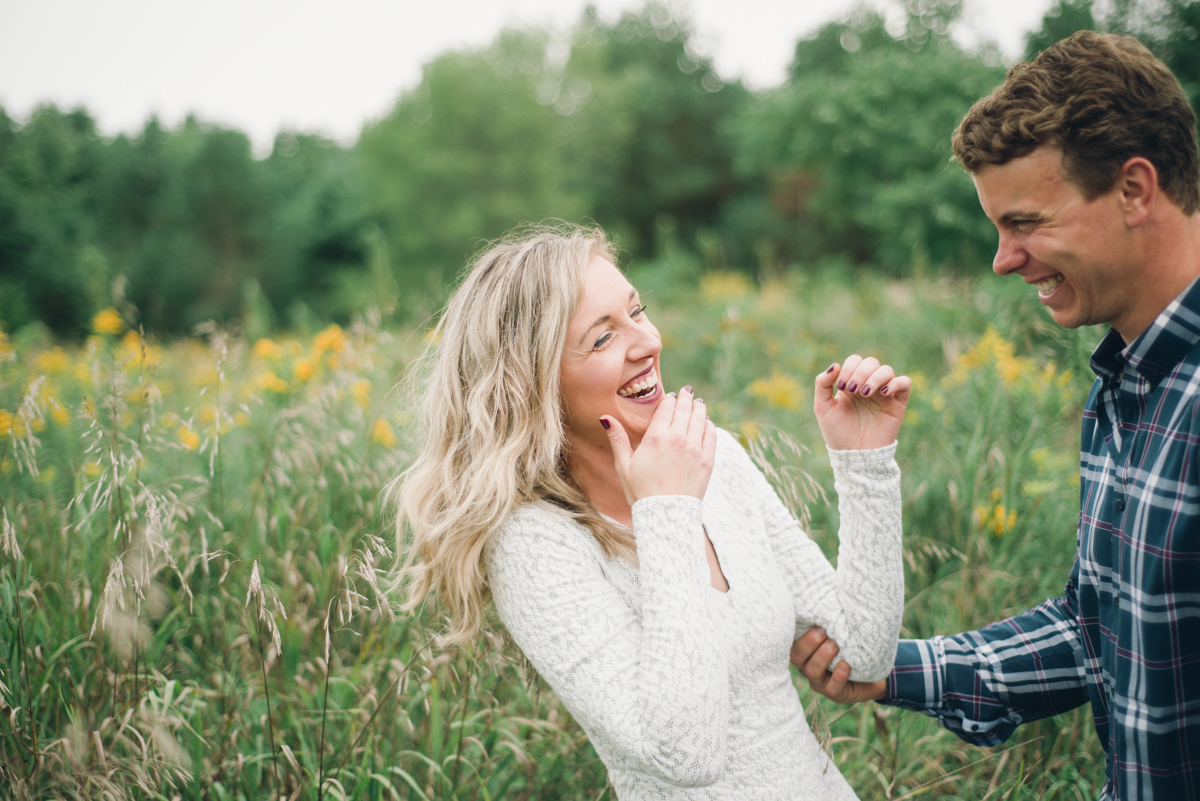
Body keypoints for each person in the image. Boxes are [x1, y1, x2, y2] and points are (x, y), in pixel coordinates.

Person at [789, 30, 1200, 800]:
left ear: (1135, 190)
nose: (1004, 260)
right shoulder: (1126, 382)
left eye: (1027, 223)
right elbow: (1094, 631)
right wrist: (886, 671)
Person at [391, 224, 913, 799]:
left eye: (637, 311)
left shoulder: (716, 459)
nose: (647, 342)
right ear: (535, 384)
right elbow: (686, 753)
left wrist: (863, 460)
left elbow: (863, 653)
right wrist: (668, 511)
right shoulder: (534, 544)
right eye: (602, 338)